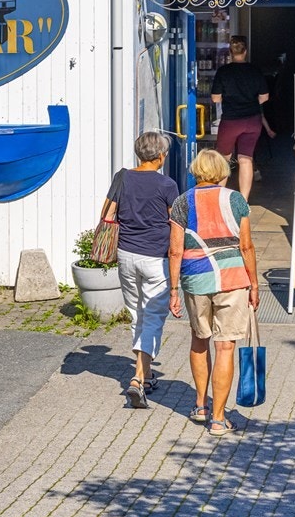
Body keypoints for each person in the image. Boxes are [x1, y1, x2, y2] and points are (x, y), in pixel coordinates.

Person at [168, 148, 259, 436]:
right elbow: (246, 246)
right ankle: (218, 419)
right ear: (222, 171)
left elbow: (174, 250)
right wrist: (254, 284)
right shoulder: (236, 200)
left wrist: (173, 290)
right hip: (232, 279)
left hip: (196, 280)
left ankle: (200, 405)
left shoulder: (182, 202)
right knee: (225, 346)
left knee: (199, 339)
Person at [108, 131, 181, 409]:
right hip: (155, 258)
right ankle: (138, 378)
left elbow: (108, 212)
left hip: (126, 254)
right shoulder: (167, 184)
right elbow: (175, 223)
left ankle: (147, 374)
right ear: (161, 156)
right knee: (151, 318)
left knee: (136, 314)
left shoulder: (123, 177)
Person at [210, 36, 272, 199]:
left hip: (231, 120)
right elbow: (264, 96)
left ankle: (219, 198)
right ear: (245, 51)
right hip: (253, 120)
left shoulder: (223, 72)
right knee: (246, 159)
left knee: (223, 159)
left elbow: (215, 98)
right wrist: (252, 101)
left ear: (230, 52)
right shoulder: (255, 71)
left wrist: (229, 99)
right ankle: (243, 201)